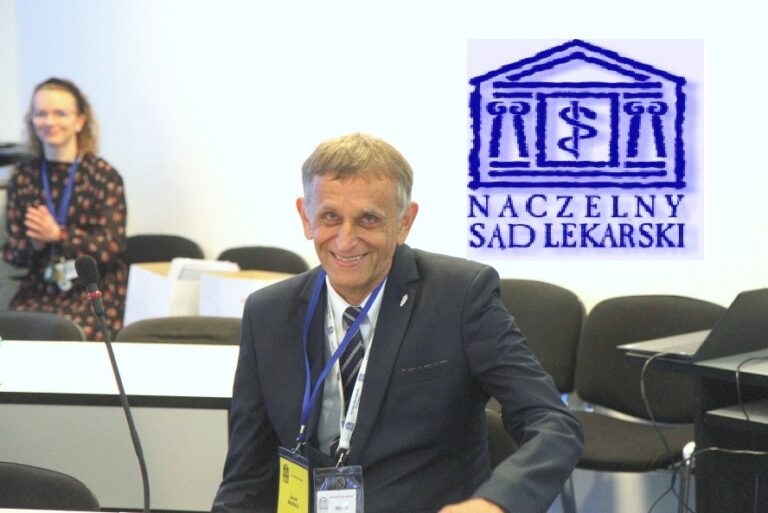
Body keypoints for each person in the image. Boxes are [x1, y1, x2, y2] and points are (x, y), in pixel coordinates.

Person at [212, 133, 582, 513]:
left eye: (368, 219)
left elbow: (552, 423)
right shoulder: (268, 313)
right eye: (330, 217)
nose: (346, 240)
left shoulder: (460, 297)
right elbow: (246, 478)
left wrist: (495, 503)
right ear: (306, 217)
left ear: (405, 221)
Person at [3, 78, 127, 341]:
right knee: (12, 333)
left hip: (92, 289)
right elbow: (12, 254)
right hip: (41, 288)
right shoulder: (23, 177)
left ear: (80, 121)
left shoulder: (103, 176)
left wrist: (59, 235)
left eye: (60, 113)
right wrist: (35, 244)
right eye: (41, 113)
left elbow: (111, 248)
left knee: (72, 334)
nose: (50, 121)